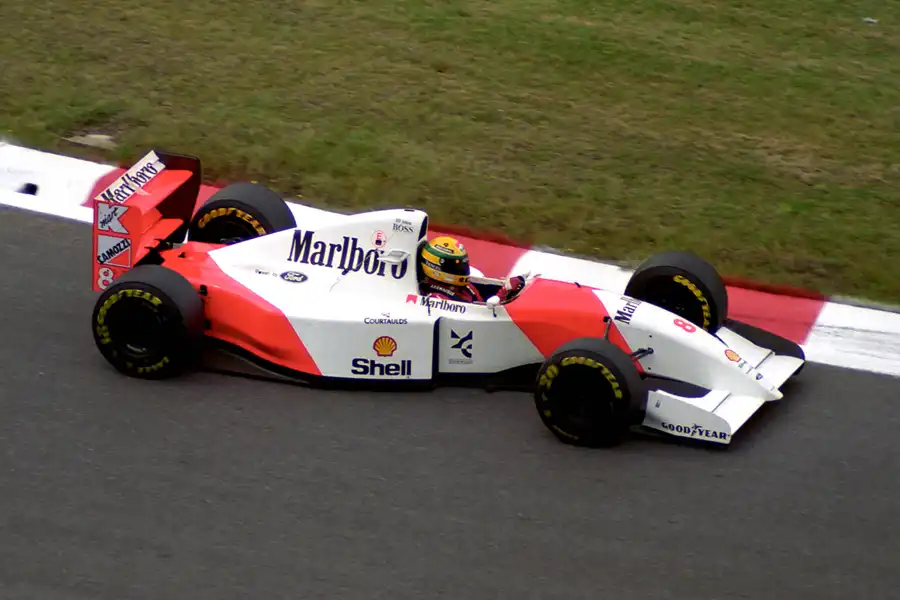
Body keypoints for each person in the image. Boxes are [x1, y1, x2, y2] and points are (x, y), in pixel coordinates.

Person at [418, 235, 525, 303]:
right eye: (455, 265)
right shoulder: (435, 299)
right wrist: (502, 295)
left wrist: (508, 287)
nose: (461, 268)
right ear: (435, 267)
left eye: (462, 263)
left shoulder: (461, 285)